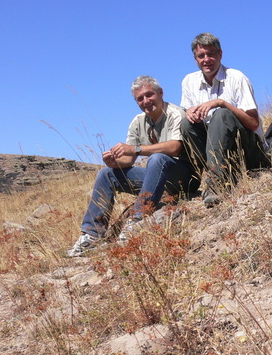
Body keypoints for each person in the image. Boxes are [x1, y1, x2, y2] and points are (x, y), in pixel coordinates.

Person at [67, 76, 194, 257]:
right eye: (140, 99)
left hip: (183, 177)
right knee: (107, 174)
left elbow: (175, 147)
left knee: (157, 158)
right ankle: (92, 235)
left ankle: (137, 220)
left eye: (149, 95)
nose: (146, 101)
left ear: (160, 93)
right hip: (155, 176)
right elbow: (130, 159)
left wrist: (135, 149)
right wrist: (115, 163)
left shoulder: (175, 114)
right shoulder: (138, 121)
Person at [180, 32, 269, 207]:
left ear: (220, 54)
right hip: (221, 157)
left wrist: (222, 103)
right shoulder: (189, 81)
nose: (207, 59)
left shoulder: (236, 78)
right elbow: (188, 115)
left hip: (250, 152)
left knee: (221, 114)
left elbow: (253, 123)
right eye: (201, 55)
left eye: (211, 54)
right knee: (185, 124)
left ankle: (216, 184)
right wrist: (190, 113)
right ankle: (219, 174)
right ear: (195, 59)